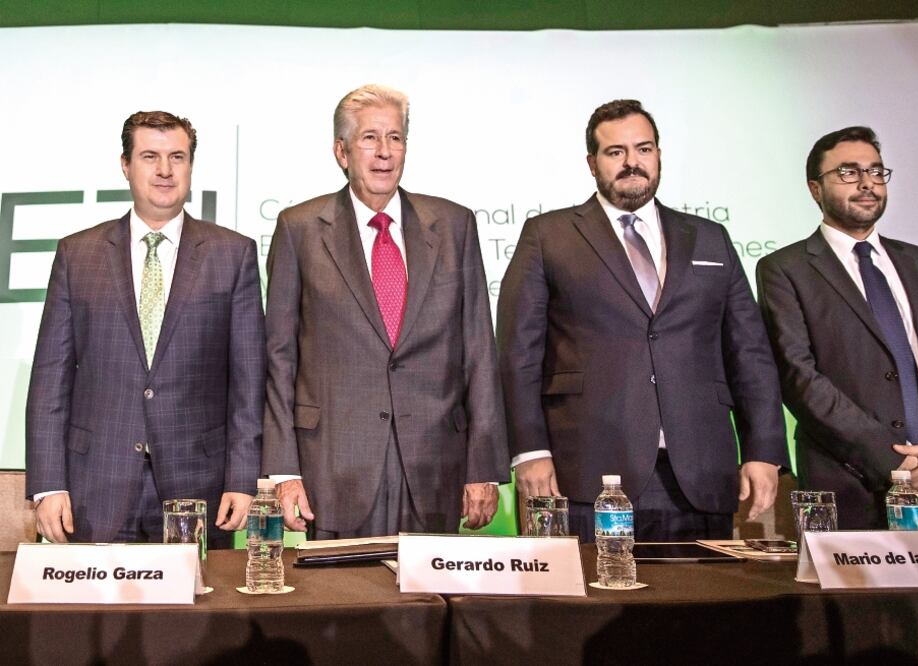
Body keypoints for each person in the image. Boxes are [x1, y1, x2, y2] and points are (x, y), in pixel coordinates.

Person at [496, 99, 788, 542]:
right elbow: (518, 354)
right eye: (616, 152)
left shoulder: (710, 237)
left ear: (659, 155)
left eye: (644, 149)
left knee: (708, 605)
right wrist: (530, 452)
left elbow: (749, 352)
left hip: (700, 473)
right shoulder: (547, 235)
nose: (633, 162)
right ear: (592, 163)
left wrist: (764, 449)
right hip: (587, 473)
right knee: (593, 607)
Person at [262, 84, 508, 538]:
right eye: (369, 138)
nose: (384, 152)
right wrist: (282, 470)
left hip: (436, 465)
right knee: (344, 603)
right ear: (341, 151)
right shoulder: (298, 229)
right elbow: (279, 358)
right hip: (333, 465)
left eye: (395, 138)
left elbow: (479, 352)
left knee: (429, 606)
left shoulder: (455, 226)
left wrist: (484, 467)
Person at [26, 111, 266, 547]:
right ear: (125, 164)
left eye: (177, 156)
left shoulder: (234, 254)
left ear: (191, 166)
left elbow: (249, 382)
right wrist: (47, 485)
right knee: (96, 614)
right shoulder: (77, 255)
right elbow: (50, 380)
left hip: (199, 484)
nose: (164, 170)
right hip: (94, 481)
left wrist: (244, 478)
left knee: (195, 613)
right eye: (150, 156)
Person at [757, 126, 918, 530]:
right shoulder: (785, 269)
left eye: (876, 171)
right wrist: (896, 462)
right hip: (853, 488)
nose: (867, 183)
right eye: (848, 172)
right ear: (815, 189)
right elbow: (801, 378)